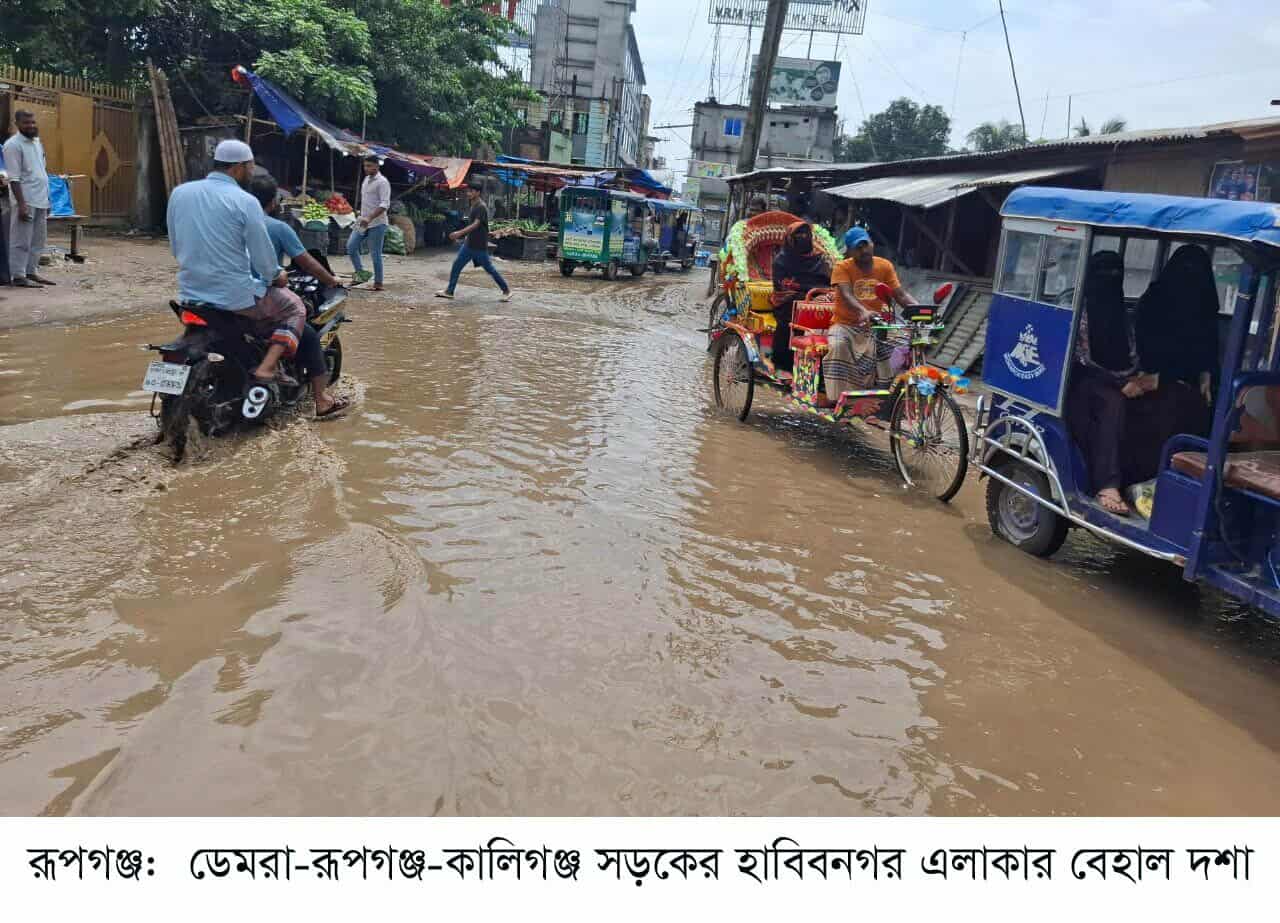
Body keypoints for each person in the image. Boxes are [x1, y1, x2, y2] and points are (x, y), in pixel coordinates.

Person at [167, 140, 306, 389]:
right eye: (250, 167)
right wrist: (277, 275)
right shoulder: (245, 201)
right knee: (294, 307)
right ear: (239, 167)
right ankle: (266, 368)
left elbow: (176, 246)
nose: (251, 172)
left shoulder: (180, 193)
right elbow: (263, 258)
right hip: (234, 298)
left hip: (191, 293)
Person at [247, 174, 349, 418]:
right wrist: (331, 280)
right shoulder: (277, 227)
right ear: (274, 201)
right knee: (309, 336)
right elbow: (307, 262)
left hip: (219, 297)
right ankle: (322, 401)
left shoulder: (230, 225)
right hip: (256, 296)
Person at [1065, 250, 1140, 514]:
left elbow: (1131, 351)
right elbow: (1082, 359)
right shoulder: (1078, 307)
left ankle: (1142, 478)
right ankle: (1107, 483)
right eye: (1104, 274)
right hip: (1077, 381)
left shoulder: (1120, 310)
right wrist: (1120, 384)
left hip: (1118, 377)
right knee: (1113, 404)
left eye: (1116, 274)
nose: (1111, 279)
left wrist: (1137, 377)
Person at [825, 227, 917, 401]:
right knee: (838, 346)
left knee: (899, 348)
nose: (863, 250)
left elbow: (900, 295)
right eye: (858, 248)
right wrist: (864, 311)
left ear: (872, 244)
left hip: (876, 325)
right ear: (850, 251)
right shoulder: (842, 267)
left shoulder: (885, 266)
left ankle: (883, 397)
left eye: (865, 245)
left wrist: (921, 310)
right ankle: (839, 400)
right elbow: (847, 294)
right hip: (845, 325)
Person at [769, 221, 830, 373]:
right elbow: (784, 287)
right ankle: (782, 364)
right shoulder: (781, 261)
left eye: (805, 234)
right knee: (792, 314)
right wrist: (810, 294)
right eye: (799, 235)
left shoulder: (819, 259)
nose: (803, 237)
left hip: (817, 298)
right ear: (790, 239)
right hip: (786, 302)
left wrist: (823, 294)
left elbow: (826, 281)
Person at [435, 183, 511, 301]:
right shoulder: (474, 204)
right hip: (469, 244)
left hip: (478, 246)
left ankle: (506, 290)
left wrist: (459, 233)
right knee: (457, 265)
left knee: (489, 269)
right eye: (468, 191)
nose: (468, 193)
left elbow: (476, 224)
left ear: (478, 192)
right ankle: (449, 291)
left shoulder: (481, 206)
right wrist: (465, 237)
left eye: (471, 191)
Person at [5, 110, 55, 288]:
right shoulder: (12, 145)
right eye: (26, 123)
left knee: (38, 240)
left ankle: (31, 271)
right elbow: (14, 178)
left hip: (41, 198)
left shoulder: (36, 142)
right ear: (17, 124)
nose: (31, 126)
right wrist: (22, 204)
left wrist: (48, 199)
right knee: (21, 240)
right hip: (25, 200)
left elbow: (41, 172)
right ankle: (18, 275)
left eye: (33, 122)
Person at [348, 156, 391, 290]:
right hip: (363, 220)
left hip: (377, 223)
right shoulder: (366, 180)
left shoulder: (383, 182)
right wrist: (361, 213)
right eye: (365, 166)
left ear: (377, 166)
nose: (366, 168)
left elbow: (385, 204)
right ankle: (361, 274)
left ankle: (378, 283)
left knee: (375, 254)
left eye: (369, 166)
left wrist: (370, 218)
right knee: (351, 247)